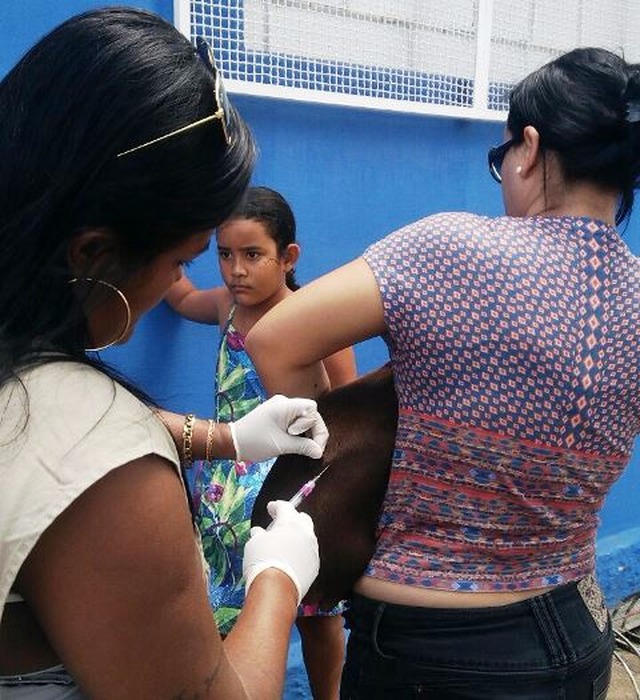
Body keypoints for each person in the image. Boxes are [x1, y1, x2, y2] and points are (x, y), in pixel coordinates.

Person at [246, 46, 640, 698]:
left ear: (529, 148)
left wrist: (332, 444)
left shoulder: (452, 249)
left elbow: (275, 341)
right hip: (579, 627)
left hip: (433, 652)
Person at [0, 8, 328, 699]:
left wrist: (228, 437)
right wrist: (277, 578)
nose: (226, 273)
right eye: (188, 257)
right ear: (92, 254)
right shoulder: (101, 461)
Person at [165, 185, 357, 699]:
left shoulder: (313, 320)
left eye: (253, 255)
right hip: (221, 492)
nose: (236, 270)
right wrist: (156, 251)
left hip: (293, 488)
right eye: (225, 255)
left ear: (287, 257)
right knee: (225, 610)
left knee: (317, 616)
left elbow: (344, 410)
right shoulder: (227, 306)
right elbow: (183, 298)